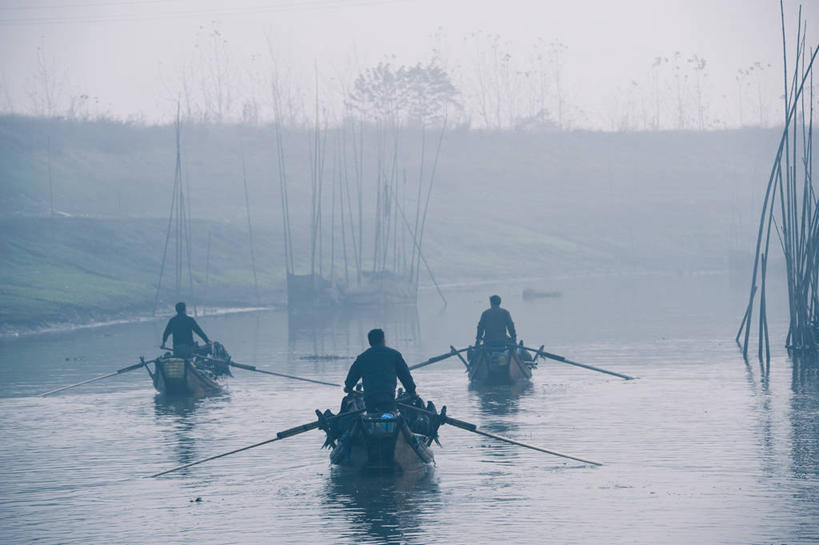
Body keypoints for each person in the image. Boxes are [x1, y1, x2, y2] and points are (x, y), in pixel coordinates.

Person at [344, 328, 417, 412]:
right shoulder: (394, 355)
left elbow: (352, 376)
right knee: (390, 416)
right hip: (388, 397)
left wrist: (348, 387)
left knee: (371, 416)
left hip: (370, 399)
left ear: (370, 342)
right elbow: (405, 376)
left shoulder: (362, 357)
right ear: (383, 340)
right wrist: (412, 391)